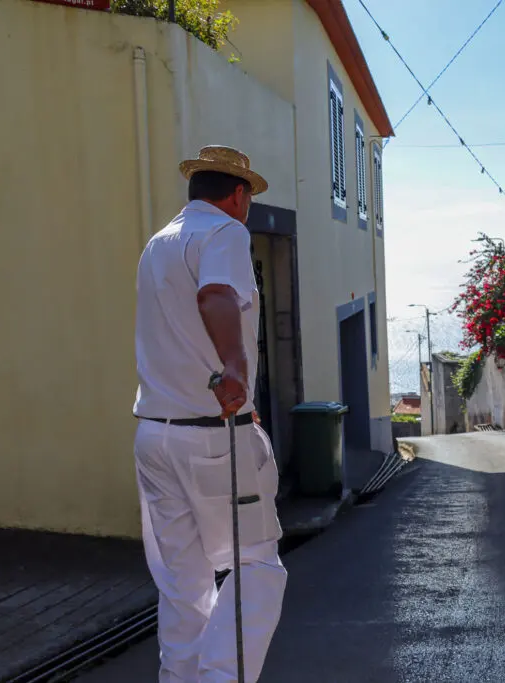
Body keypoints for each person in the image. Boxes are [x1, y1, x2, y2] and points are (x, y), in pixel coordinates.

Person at [132, 145, 287, 682]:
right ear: (238, 195)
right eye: (249, 200)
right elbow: (216, 296)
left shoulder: (157, 244)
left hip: (154, 434)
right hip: (213, 435)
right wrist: (237, 369)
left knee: (184, 587)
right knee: (256, 567)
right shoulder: (226, 233)